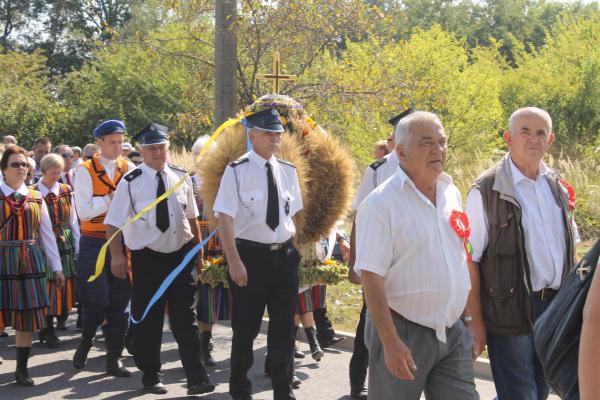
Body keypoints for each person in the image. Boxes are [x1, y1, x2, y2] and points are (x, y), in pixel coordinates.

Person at [355, 111, 479, 400]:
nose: (438, 150)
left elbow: (461, 258)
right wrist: (390, 341)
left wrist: (469, 320)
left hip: (452, 332)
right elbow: (371, 278)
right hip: (402, 332)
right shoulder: (380, 204)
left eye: (442, 142)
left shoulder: (451, 192)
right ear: (400, 151)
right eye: (426, 143)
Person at [465, 107, 579, 400]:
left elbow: (572, 249)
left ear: (550, 140)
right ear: (508, 138)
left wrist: (576, 304)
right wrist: (474, 320)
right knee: (520, 395)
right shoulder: (486, 190)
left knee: (541, 392)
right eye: (525, 131)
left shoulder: (558, 187)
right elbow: (470, 259)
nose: (534, 139)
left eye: (541, 132)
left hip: (555, 308)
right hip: (509, 309)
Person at [104, 123, 215, 395]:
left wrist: (198, 256)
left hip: (180, 258)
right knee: (149, 319)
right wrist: (117, 255)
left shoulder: (181, 178)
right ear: (142, 150)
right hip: (147, 259)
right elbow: (113, 223)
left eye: (161, 147)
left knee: (184, 320)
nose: (157, 152)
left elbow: (191, 219)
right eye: (151, 148)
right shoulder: (130, 183)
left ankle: (196, 378)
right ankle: (151, 374)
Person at [213, 108, 303, 400]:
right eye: (268, 133)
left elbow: (295, 217)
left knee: (284, 332)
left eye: (277, 133)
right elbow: (225, 218)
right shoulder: (236, 170)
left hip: (284, 258)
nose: (275, 138)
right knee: (245, 330)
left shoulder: (288, 171)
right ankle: (240, 390)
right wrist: (234, 261)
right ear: (252, 135)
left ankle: (283, 392)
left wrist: (296, 252)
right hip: (249, 258)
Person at [347, 108, 413, 399]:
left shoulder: (434, 171)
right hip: (379, 260)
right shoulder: (377, 170)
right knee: (370, 321)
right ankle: (359, 383)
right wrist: (354, 263)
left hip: (411, 261)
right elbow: (359, 218)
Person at [72, 119, 134, 378]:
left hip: (121, 241)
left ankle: (114, 359)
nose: (118, 147)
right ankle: (86, 341)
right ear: (99, 143)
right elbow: (84, 211)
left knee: (120, 302)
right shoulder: (84, 170)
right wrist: (112, 198)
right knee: (97, 300)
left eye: (120, 142)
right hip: (94, 241)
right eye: (112, 142)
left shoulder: (128, 168)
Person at [0, 146, 65, 385]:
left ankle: (21, 370)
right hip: (1, 257)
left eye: (24, 165)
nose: (21, 169)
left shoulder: (36, 197)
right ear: (3, 169)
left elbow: (46, 234)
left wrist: (57, 267)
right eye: (15, 164)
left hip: (29, 260)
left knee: (26, 317)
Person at [33, 154, 80, 347]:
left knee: (64, 285)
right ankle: (47, 327)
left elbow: (73, 220)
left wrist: (78, 244)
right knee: (47, 285)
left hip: (64, 240)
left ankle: (59, 318)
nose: (57, 176)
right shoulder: (33, 192)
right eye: (53, 173)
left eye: (60, 172)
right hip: (43, 242)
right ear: (43, 172)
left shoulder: (66, 190)